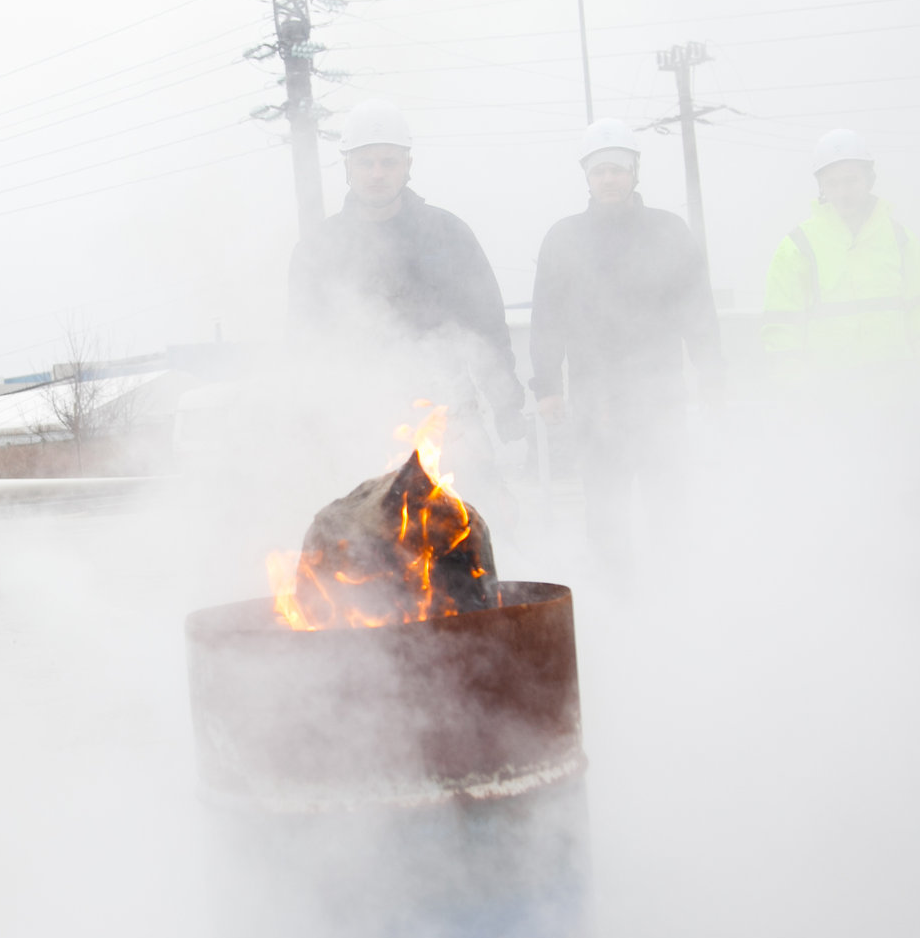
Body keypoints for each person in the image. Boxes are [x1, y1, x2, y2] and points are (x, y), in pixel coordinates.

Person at [288, 98, 526, 490]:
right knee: (369, 542)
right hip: (359, 426)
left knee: (474, 526)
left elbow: (487, 326)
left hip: (449, 419)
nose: (377, 173)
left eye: (389, 162)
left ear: (408, 166)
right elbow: (302, 343)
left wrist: (506, 402)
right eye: (366, 162)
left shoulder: (449, 236)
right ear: (347, 166)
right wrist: (309, 423)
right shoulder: (319, 249)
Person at [529, 118, 724, 580]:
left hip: (661, 395)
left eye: (618, 169)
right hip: (596, 398)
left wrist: (712, 372)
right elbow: (546, 318)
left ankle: (675, 586)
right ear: (587, 178)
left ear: (635, 172)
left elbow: (698, 310)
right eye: (600, 171)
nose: (609, 178)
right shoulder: (564, 237)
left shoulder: (669, 231)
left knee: (669, 497)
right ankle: (619, 593)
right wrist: (548, 386)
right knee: (604, 504)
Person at [762, 128, 920, 376]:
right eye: (832, 183)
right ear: (821, 187)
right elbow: (783, 323)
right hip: (827, 389)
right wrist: (792, 376)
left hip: (897, 383)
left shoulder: (899, 239)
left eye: (850, 180)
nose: (842, 192)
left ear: (869, 180)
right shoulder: (797, 247)